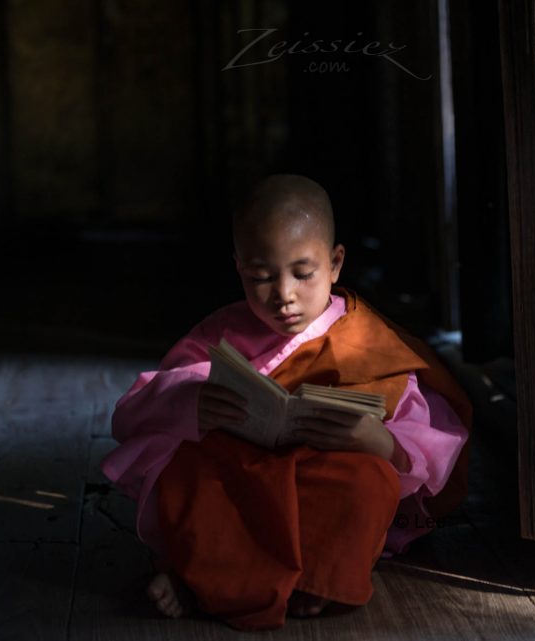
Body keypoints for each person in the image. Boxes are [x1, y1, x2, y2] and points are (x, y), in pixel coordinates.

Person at [100, 174, 471, 630]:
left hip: (321, 473)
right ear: (239, 268)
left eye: (303, 273)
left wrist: (379, 441)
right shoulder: (220, 334)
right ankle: (196, 579)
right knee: (187, 472)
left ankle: (318, 575)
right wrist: (191, 405)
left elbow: (430, 443)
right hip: (243, 471)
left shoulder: (367, 338)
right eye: (260, 277)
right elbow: (138, 410)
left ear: (335, 264)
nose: (284, 295)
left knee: (368, 480)